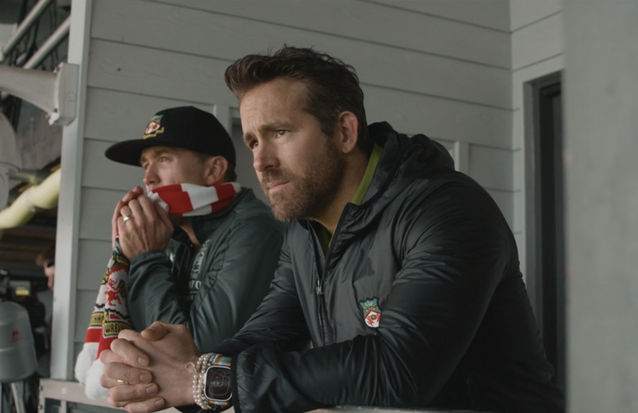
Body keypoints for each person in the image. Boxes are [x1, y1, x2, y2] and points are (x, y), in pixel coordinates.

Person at [98, 47, 565, 413]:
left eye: (279, 133)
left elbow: (399, 371)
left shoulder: (446, 208)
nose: (260, 161)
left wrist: (203, 380)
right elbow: (263, 337)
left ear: (344, 132)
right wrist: (165, 371)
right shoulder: (304, 231)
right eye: (253, 141)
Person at [104, 106, 285, 352]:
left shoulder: (254, 230)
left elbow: (192, 352)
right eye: (145, 165)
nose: (149, 178)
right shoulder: (171, 238)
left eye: (163, 159)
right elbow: (138, 338)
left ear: (213, 171)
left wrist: (146, 258)